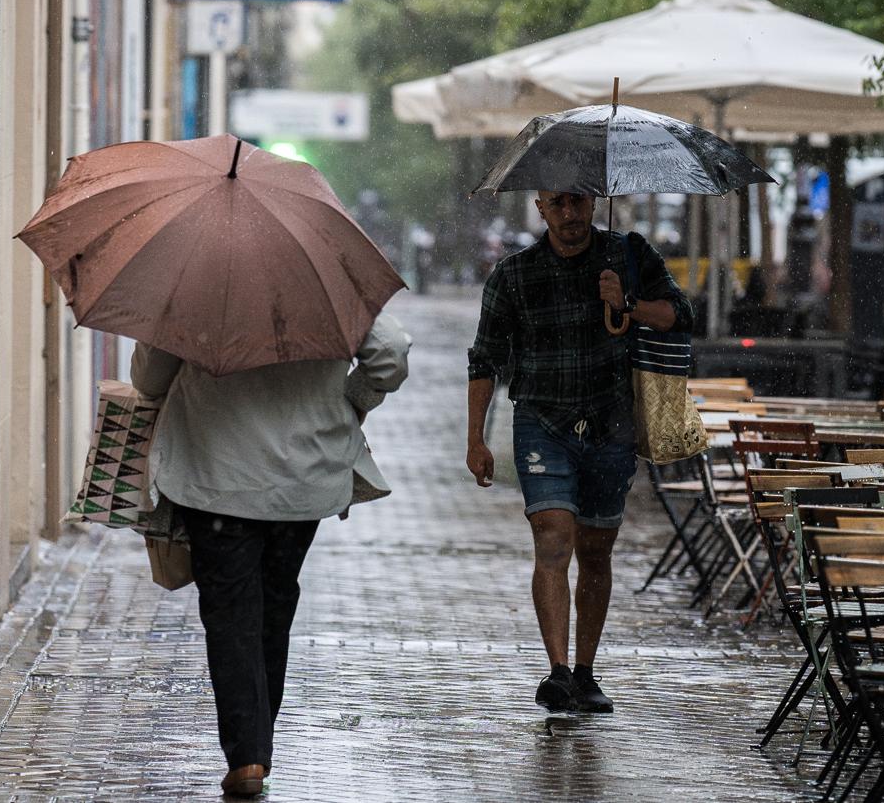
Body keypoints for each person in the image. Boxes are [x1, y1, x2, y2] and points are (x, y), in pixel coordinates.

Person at [132, 312, 411, 797]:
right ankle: (256, 747)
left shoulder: (198, 285)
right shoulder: (325, 282)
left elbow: (149, 377)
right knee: (273, 605)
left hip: (215, 477)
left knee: (231, 612)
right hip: (302, 478)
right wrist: (354, 398)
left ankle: (248, 755)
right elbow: (388, 355)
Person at [466, 191, 693, 713]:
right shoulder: (513, 274)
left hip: (612, 427)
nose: (570, 214)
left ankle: (587, 672)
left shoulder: (629, 256)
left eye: (578, 202)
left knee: (595, 549)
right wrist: (475, 438)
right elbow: (485, 359)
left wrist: (626, 303)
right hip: (543, 424)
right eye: (557, 204)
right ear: (540, 208)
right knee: (553, 537)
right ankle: (559, 672)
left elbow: (679, 315)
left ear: (593, 202)